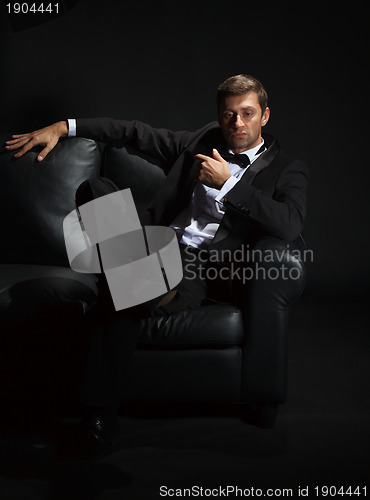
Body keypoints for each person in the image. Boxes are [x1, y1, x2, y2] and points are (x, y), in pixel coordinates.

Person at [6, 74, 309, 458]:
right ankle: (130, 276)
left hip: (201, 269)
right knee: (95, 190)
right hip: (151, 244)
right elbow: (133, 132)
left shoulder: (288, 168)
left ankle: (99, 415)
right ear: (219, 116)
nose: (237, 123)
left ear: (264, 116)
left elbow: (289, 224)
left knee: (129, 286)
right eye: (229, 115)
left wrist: (230, 184)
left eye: (247, 114)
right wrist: (64, 126)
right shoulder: (198, 143)